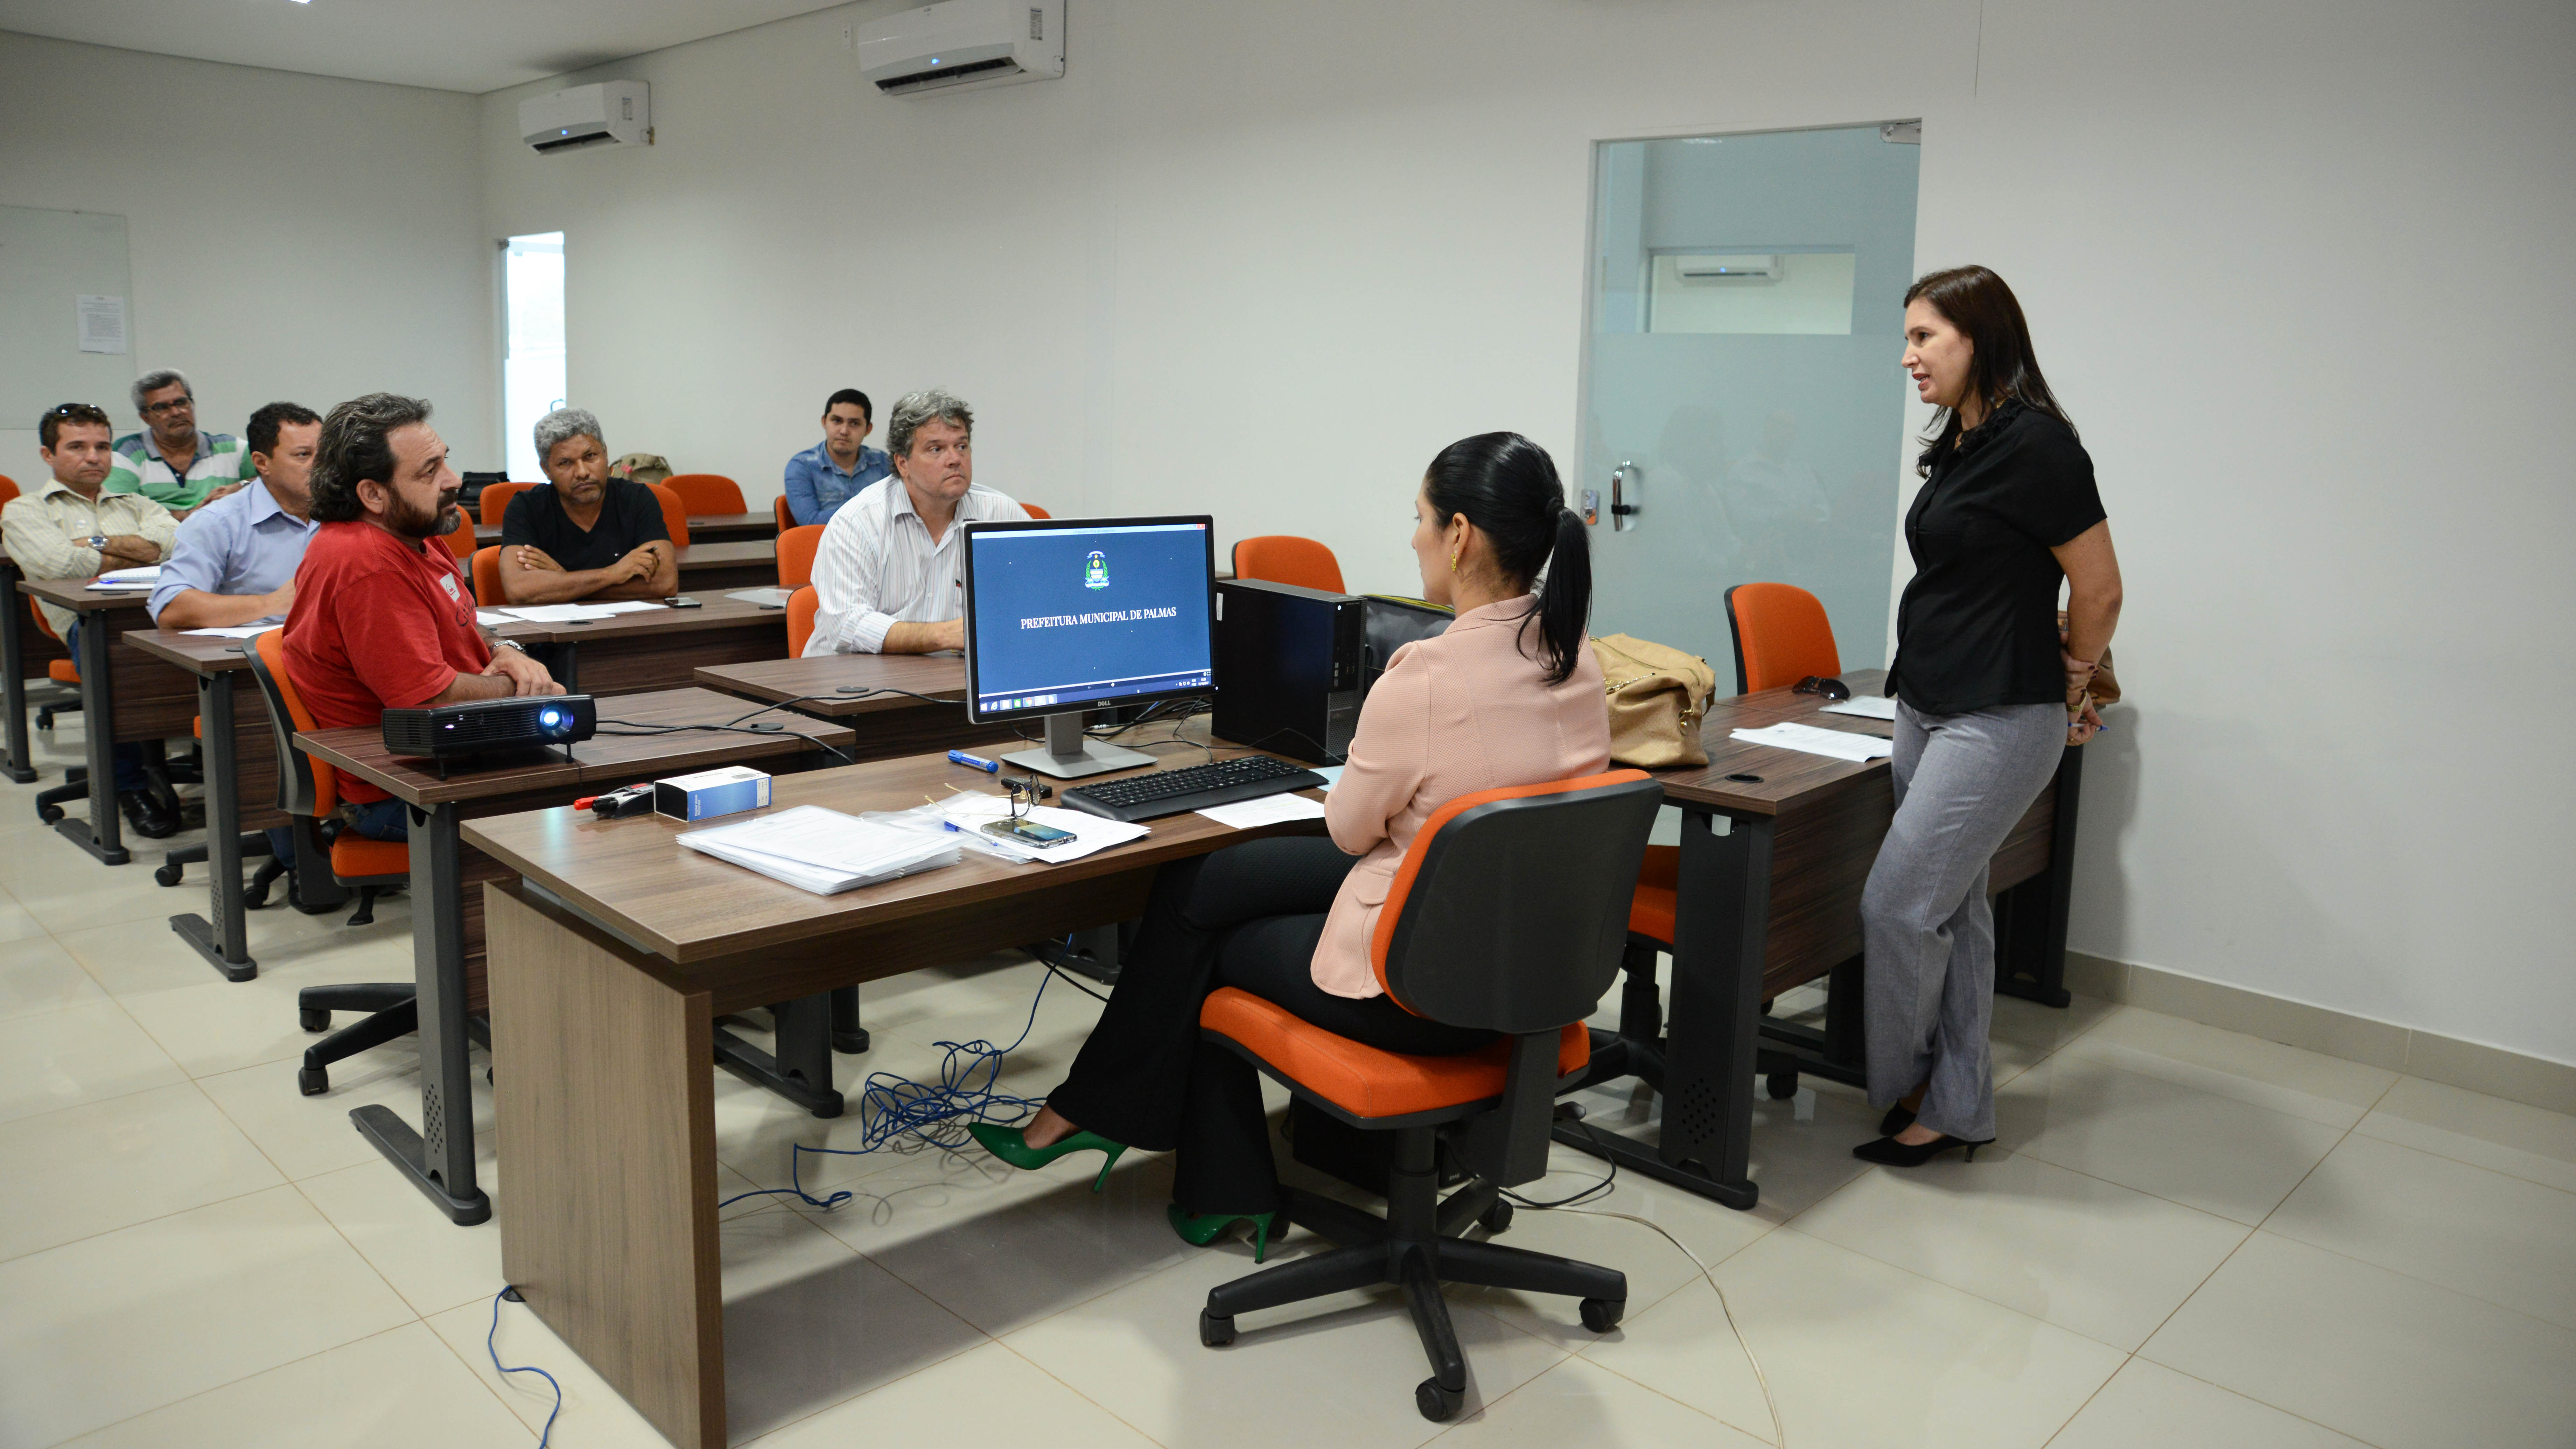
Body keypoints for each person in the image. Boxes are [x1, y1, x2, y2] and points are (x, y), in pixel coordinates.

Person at [965, 432, 1604, 1258]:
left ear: (1459, 535)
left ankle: (1212, 1180)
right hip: (1526, 966)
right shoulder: (1574, 656)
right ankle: (1111, 1118)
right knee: (1202, 881)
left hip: (1428, 990)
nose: (1411, 537)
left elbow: (1347, 829)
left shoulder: (1429, 674)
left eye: (1417, 518)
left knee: (1210, 946)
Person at [1855, 265, 2123, 1167]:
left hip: (2000, 712)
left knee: (1895, 907)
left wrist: (2077, 677)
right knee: (1955, 909)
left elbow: (2099, 587)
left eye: (1925, 337)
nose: (1908, 357)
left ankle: (1905, 1082)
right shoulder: (1962, 442)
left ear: (1980, 338)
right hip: (1927, 700)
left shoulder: (2040, 446)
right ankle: (1956, 1105)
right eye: (1908, 337)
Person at [280, 394, 562, 842]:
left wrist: (505, 651)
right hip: (402, 789)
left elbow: (460, 621)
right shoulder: (366, 562)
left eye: (445, 461)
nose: (453, 481)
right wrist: (521, 690)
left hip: (452, 755)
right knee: (588, 818)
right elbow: (428, 700)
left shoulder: (416, 533)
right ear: (373, 494)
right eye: (429, 472)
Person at [4, 403, 183, 836]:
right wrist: (137, 549)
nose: (94, 457)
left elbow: (174, 546)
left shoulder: (136, 502)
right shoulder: (25, 511)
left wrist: (97, 544)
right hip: (90, 628)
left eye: (102, 446)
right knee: (113, 669)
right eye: (78, 447)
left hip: (164, 617)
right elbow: (63, 565)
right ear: (49, 455)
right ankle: (128, 786)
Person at [802, 387, 1027, 656]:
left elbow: (1039, 598)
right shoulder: (856, 523)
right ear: (903, 463)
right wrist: (946, 636)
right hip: (848, 685)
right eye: (936, 449)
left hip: (950, 681)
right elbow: (848, 627)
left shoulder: (1002, 515)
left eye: (962, 446)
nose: (955, 459)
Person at [148, 402, 322, 630]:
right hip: (254, 656)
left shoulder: (349, 513)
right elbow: (170, 607)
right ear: (262, 463)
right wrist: (268, 604)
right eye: (304, 455)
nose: (321, 465)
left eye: (327, 454)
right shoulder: (218, 522)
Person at [497, 408, 677, 603]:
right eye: (566, 463)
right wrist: (612, 574)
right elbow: (518, 589)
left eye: (590, 456)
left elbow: (665, 583)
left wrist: (564, 580)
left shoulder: (638, 499)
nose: (582, 472)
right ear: (546, 469)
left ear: (606, 453)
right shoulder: (526, 507)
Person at [107, 370, 256, 517]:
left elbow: (276, 482)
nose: (176, 412)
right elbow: (120, 510)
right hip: (158, 539)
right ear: (146, 418)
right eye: (162, 408)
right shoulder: (126, 453)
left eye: (181, 403)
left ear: (192, 405)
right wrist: (190, 516)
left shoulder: (234, 449)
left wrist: (241, 487)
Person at [781, 389, 891, 527]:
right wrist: (871, 511)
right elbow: (810, 524)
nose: (844, 431)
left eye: (855, 423)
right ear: (824, 422)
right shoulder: (802, 467)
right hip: (825, 547)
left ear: (868, 429)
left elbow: (898, 513)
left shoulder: (883, 463)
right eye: (837, 421)